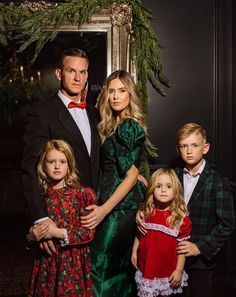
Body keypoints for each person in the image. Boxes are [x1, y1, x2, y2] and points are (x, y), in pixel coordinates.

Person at [136, 123, 235, 297]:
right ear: (178, 149)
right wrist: (141, 212)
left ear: (205, 148)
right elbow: (153, 202)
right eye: (184, 146)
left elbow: (227, 225)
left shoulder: (218, 182)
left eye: (194, 145)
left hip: (200, 264)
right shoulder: (171, 177)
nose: (189, 151)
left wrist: (200, 247)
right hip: (169, 260)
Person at [21, 48, 100, 252]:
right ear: (59, 73)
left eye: (82, 72)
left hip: (95, 215)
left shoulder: (94, 113)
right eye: (71, 70)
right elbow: (30, 169)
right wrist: (41, 220)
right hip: (60, 217)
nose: (77, 77)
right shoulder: (42, 114)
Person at [80, 70, 147, 296]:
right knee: (117, 270)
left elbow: (128, 175)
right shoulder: (112, 124)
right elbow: (128, 170)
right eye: (111, 91)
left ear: (130, 95)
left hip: (120, 209)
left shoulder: (128, 126)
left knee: (100, 266)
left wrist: (104, 210)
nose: (116, 96)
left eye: (122, 91)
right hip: (114, 203)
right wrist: (135, 174)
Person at [27, 139, 96, 297]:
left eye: (62, 161)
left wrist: (56, 233)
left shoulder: (83, 194)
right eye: (51, 161)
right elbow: (30, 235)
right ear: (43, 165)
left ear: (69, 164)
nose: (57, 166)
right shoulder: (39, 198)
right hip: (46, 264)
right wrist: (31, 237)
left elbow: (88, 232)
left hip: (72, 265)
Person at [131, 168, 192, 297]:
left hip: (166, 270)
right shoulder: (146, 211)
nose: (163, 190)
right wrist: (134, 251)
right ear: (152, 188)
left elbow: (182, 248)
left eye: (168, 186)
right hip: (146, 265)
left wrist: (179, 270)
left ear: (175, 190)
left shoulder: (179, 218)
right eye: (158, 186)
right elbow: (140, 233)